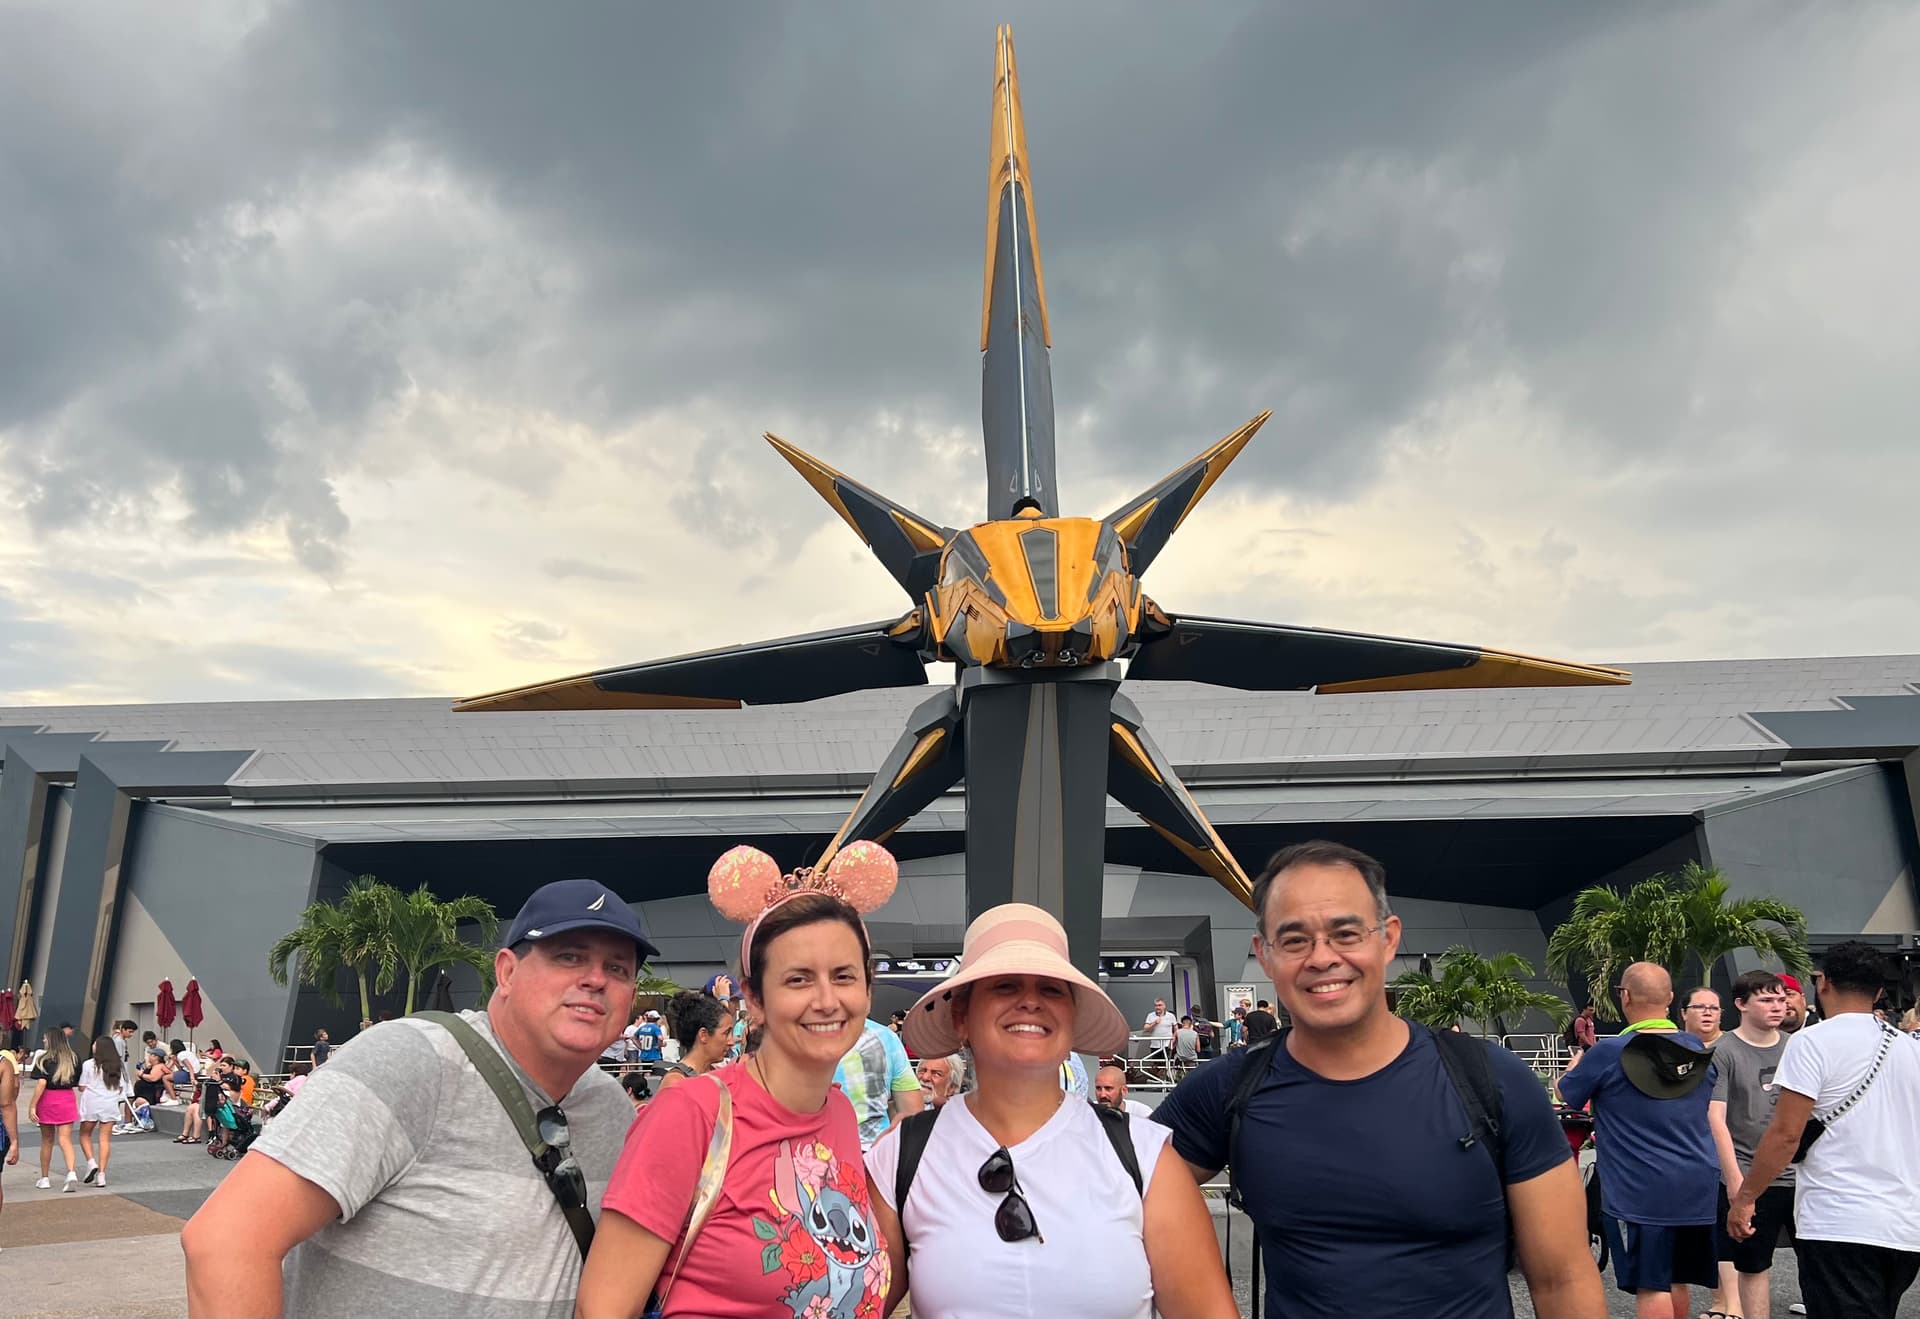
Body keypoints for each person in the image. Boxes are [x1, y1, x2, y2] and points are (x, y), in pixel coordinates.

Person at [1154, 840, 1602, 1319]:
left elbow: (1563, 1278)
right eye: (1295, 940)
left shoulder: (1491, 1081)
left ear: (1388, 939)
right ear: (1264, 955)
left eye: (1346, 933)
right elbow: (1120, 1191)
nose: (1322, 957)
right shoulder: (1231, 1087)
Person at [181, 878, 655, 1317]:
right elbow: (226, 1241)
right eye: (569, 957)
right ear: (507, 972)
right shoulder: (410, 1060)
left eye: (617, 967)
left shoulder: (611, 1110)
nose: (595, 979)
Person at [866, 903, 1234, 1319]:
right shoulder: (902, 1155)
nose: (1030, 1002)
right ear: (961, 1017)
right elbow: (852, 1302)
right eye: (1005, 985)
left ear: (1072, 1018)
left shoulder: (1144, 1156)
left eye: (1052, 989)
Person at [575, 842, 897, 1318]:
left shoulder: (839, 1116)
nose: (827, 1000)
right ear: (755, 999)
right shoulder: (691, 1113)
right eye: (799, 979)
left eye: (844, 976)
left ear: (867, 990)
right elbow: (603, 1310)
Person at [1728, 941, 1920, 1319]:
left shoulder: (1810, 1042)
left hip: (1838, 1219)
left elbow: (1786, 1134)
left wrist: (1746, 1198)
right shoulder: (1909, 1049)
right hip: (1905, 1223)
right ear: (1879, 992)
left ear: (1823, 983)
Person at [1557, 962, 1719, 1319]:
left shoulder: (1611, 1052)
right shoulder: (1696, 1050)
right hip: (1696, 1183)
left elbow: (1568, 1095)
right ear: (1671, 999)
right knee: (1677, 1278)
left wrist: (1569, 1072)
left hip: (1640, 1189)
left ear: (1625, 997)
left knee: (1651, 1285)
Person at [1703, 970, 1790, 1319]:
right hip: (1749, 1174)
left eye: (1781, 999)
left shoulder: (1796, 1045)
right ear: (1741, 1004)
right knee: (1753, 1264)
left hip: (1802, 1174)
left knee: (1819, 1264)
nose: (1777, 1006)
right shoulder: (1722, 1051)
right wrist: (1735, 1182)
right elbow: (1716, 1118)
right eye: (1766, 1000)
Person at [835, 1013, 924, 1150]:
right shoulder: (887, 1036)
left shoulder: (804, 1035)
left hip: (815, 1151)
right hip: (876, 1149)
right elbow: (913, 1114)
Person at [27, 1028, 83, 1192]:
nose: (43, 1041)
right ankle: (71, 1172)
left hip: (48, 1099)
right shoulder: (74, 1058)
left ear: (51, 1040)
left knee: (47, 1140)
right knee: (65, 1139)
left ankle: (44, 1178)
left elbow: (41, 1083)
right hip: (67, 1098)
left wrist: (32, 1105)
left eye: (45, 1038)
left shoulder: (44, 1059)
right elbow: (77, 1081)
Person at [655, 990, 735, 1092]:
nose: (731, 1042)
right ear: (703, 1035)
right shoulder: (675, 1082)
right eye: (726, 1033)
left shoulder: (716, 1074)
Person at [76, 1035, 125, 1188]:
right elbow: (121, 1087)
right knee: (105, 1139)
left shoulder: (89, 1064)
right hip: (110, 1104)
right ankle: (102, 1175)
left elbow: (82, 1086)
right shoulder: (118, 1065)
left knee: (85, 1134)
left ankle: (91, 1162)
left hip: (91, 1103)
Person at [1140, 997, 1175, 1080]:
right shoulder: (1150, 1015)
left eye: (1160, 1005)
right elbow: (1146, 1028)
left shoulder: (1171, 1016)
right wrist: (1154, 1023)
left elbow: (1176, 1028)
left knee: (1165, 1064)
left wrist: (1174, 1040)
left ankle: (1165, 1081)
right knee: (1156, 1065)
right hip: (1155, 1045)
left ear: (1164, 1006)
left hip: (1167, 1044)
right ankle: (1158, 1081)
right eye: (1156, 1005)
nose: (1157, 1007)